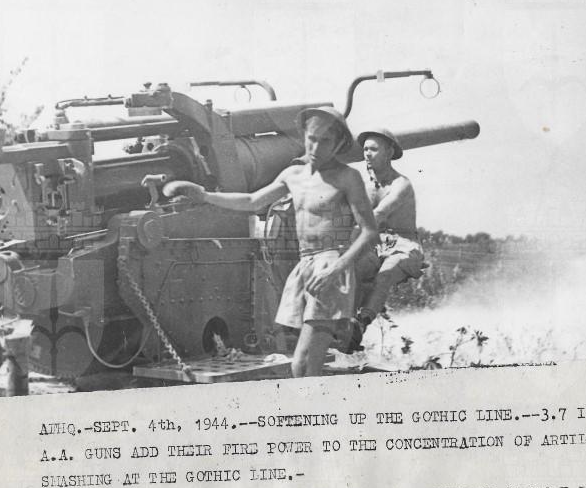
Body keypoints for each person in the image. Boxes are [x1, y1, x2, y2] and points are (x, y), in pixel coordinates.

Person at [163, 106, 377, 377]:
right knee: (305, 363)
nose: (316, 147)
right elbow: (252, 201)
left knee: (303, 363)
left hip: (330, 266)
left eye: (325, 141)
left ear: (339, 144)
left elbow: (370, 231)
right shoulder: (293, 175)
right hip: (305, 266)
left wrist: (336, 268)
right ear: (303, 136)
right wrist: (204, 195)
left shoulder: (348, 178)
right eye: (312, 138)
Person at [351, 128, 425, 349]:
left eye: (373, 149)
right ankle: (345, 326)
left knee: (384, 275)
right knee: (351, 270)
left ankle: (361, 324)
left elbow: (379, 214)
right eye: (365, 149)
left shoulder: (401, 184)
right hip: (376, 243)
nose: (367, 154)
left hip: (403, 244)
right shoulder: (365, 186)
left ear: (389, 152)